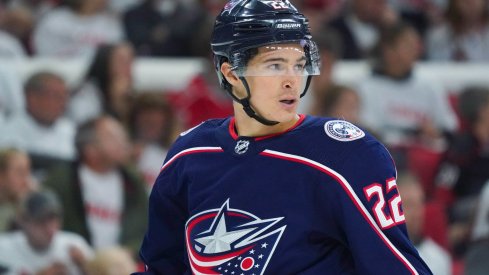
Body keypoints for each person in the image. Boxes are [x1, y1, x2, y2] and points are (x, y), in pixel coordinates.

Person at [135, 1, 432, 274]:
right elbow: (163, 268)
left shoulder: (346, 156)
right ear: (232, 74)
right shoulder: (188, 154)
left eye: (299, 65)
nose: (291, 80)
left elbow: (396, 267)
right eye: (274, 65)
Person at [42, 115, 148, 256]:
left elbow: (146, 228)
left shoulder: (133, 181)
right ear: (90, 150)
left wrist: (129, 251)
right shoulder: (61, 181)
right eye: (113, 137)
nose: (123, 141)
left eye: (122, 135)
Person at [0, 190, 93, 275]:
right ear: (24, 221)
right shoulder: (4, 248)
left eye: (54, 219)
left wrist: (86, 269)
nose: (50, 229)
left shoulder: (74, 244)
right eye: (41, 221)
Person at [396, 171, 452, 275]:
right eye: (408, 205)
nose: (417, 213)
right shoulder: (376, 253)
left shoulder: (439, 259)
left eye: (419, 204)